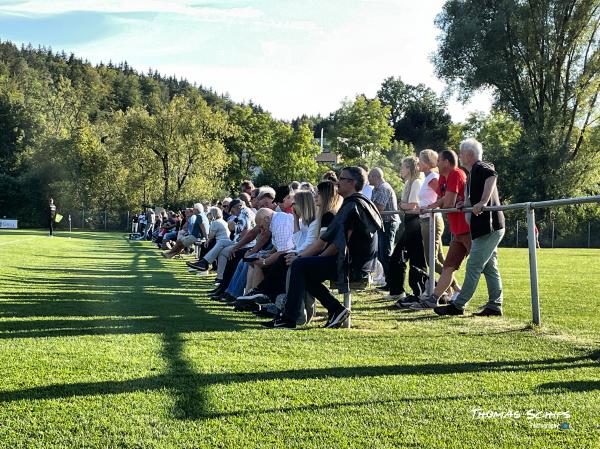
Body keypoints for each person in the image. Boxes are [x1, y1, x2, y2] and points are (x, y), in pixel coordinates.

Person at [263, 166, 382, 329]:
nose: (337, 182)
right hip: (359, 263)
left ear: (352, 183)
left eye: (342, 179)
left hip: (352, 265)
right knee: (304, 269)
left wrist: (305, 258)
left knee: (299, 265)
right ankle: (336, 309)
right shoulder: (360, 203)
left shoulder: (351, 206)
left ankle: (289, 318)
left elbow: (334, 244)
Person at [434, 138, 506, 317]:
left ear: (469, 154)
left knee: (474, 265)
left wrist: (483, 201)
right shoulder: (473, 172)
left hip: (489, 227)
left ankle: (458, 305)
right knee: (489, 267)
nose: (459, 156)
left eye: (461, 152)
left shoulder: (481, 167)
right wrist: (463, 204)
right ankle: (495, 306)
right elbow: (470, 196)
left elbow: (492, 176)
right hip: (484, 228)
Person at [409, 149, 470, 310]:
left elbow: (449, 202)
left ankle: (489, 301)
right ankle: (435, 298)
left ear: (446, 162)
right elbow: (443, 198)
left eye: (440, 160)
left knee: (483, 266)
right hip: (457, 229)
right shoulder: (443, 177)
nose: (437, 163)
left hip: (465, 227)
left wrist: (432, 208)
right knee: (448, 265)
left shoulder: (456, 174)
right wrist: (433, 206)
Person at [387, 157, 428, 306]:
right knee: (401, 257)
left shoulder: (416, 182)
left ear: (410, 168)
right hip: (410, 223)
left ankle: (419, 290)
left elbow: (412, 205)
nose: (401, 170)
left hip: (415, 224)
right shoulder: (409, 183)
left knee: (414, 259)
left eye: (403, 167)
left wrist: (401, 205)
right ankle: (399, 290)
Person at [368, 167, 399, 290]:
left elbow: (379, 207)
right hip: (382, 224)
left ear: (375, 177)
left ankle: (393, 283)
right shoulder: (376, 189)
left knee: (386, 254)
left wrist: (367, 205)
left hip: (389, 223)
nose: (368, 179)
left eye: (369, 176)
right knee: (382, 255)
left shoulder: (384, 188)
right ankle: (389, 282)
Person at [418, 149, 445, 276]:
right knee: (439, 259)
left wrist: (429, 207)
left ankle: (456, 288)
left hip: (431, 220)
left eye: (420, 160)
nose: (418, 163)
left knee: (431, 261)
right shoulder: (427, 177)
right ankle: (450, 289)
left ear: (427, 163)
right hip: (427, 220)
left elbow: (442, 197)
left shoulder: (432, 178)